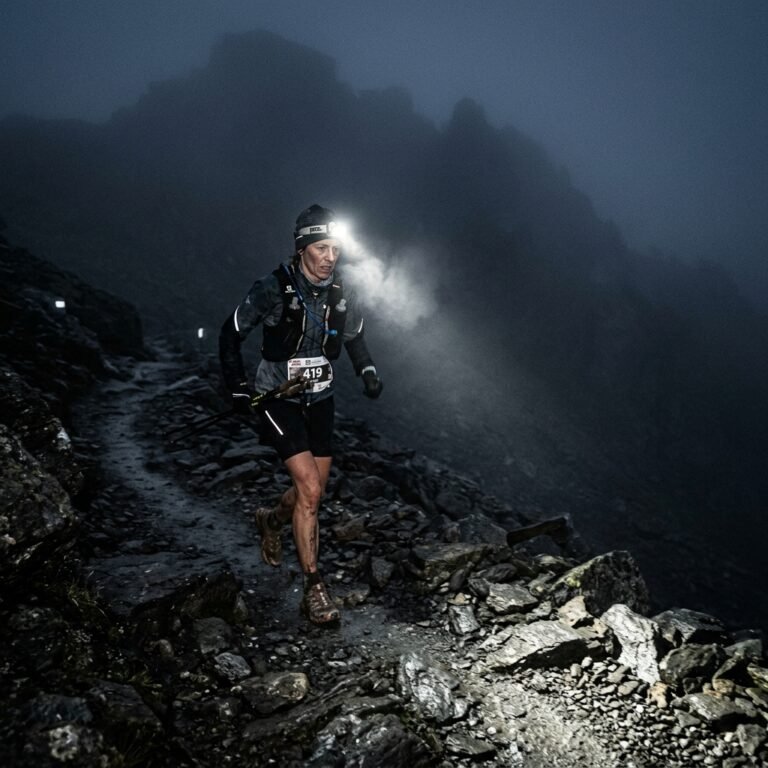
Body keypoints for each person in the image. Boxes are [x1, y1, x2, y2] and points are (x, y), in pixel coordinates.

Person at [218, 204, 383, 624]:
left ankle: (271, 520)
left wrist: (367, 372)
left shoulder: (339, 293)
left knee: (313, 491)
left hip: (321, 398)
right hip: (278, 398)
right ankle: (315, 589)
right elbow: (231, 332)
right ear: (302, 248)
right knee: (309, 489)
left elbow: (354, 337)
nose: (330, 257)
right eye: (322, 248)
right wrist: (236, 385)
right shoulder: (272, 288)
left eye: (336, 249)